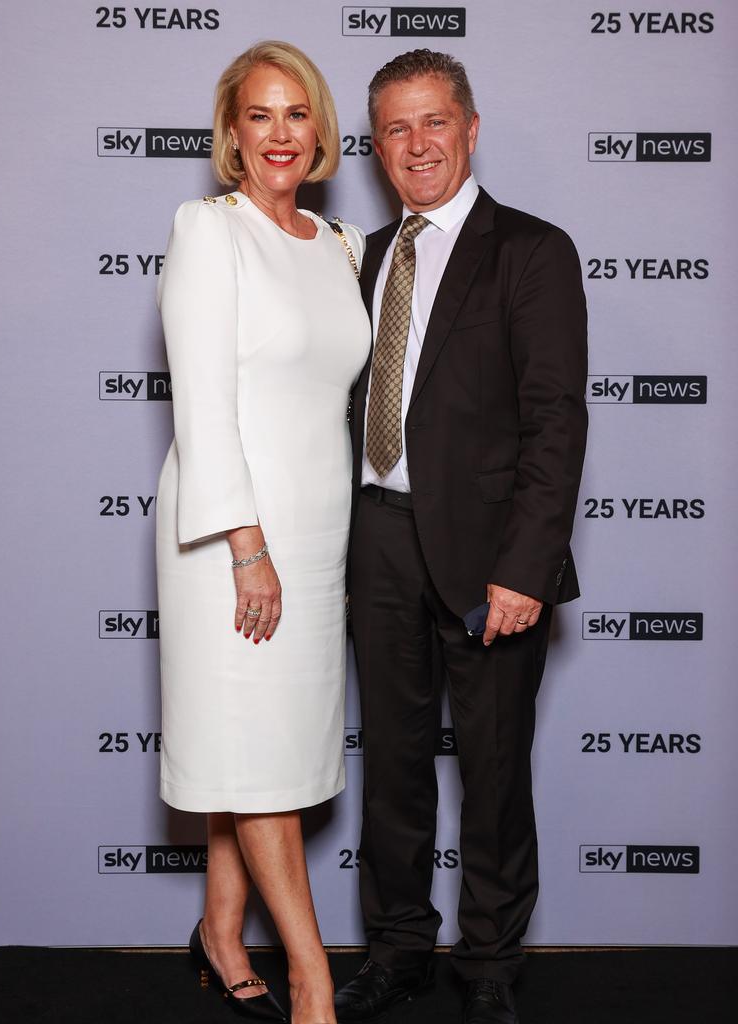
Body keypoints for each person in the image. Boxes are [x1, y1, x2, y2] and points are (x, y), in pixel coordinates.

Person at [334, 50, 588, 1024]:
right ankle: (398, 945)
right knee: (392, 763)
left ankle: (488, 961)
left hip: (491, 557)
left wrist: (526, 565)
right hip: (378, 541)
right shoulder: (358, 259)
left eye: (433, 122)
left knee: (491, 768)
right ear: (377, 146)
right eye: (395, 129)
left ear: (470, 129)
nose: (416, 144)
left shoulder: (531, 249)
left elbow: (556, 420)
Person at [155, 40, 371, 1024]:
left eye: (297, 114)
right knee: (262, 756)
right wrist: (246, 544)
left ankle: (217, 926)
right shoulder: (210, 230)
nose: (279, 133)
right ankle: (313, 980)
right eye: (259, 115)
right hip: (231, 536)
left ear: (319, 129)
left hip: (320, 534)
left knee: (260, 744)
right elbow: (201, 405)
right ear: (231, 135)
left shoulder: (341, 246)